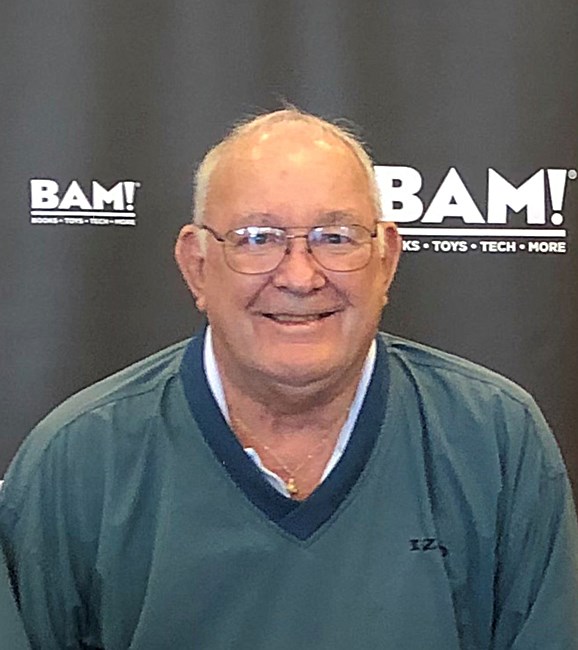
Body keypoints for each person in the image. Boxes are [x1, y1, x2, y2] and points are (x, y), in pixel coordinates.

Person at [1, 107, 577, 649]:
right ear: (197, 266)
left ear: (386, 260)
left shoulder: (495, 439)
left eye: (336, 237)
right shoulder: (77, 460)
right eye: (257, 238)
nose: (300, 277)